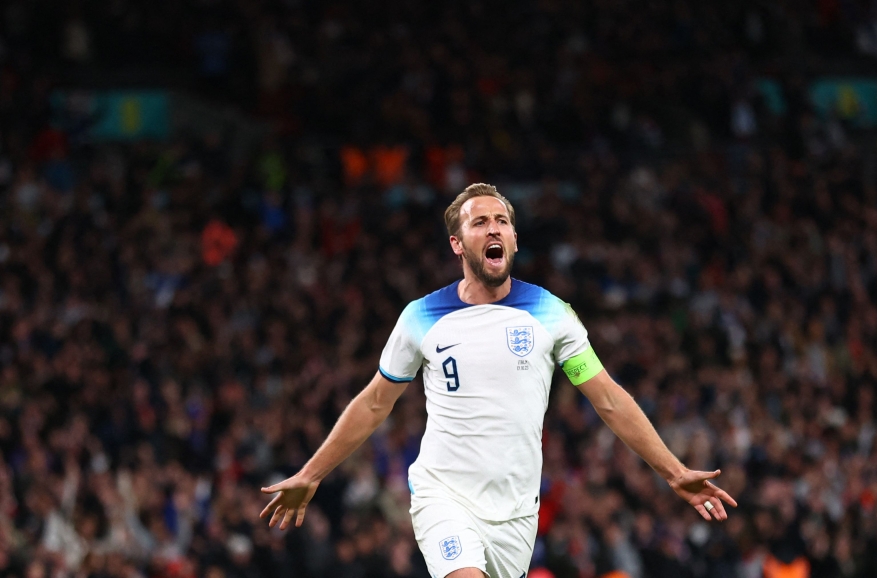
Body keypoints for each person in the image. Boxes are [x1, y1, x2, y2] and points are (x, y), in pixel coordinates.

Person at [259, 183, 738, 578]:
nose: (494, 229)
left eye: (502, 221)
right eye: (480, 222)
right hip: (444, 496)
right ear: (457, 243)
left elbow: (608, 399)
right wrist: (312, 473)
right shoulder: (421, 317)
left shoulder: (551, 314)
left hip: (515, 515)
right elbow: (373, 404)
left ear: (512, 239)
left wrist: (675, 472)